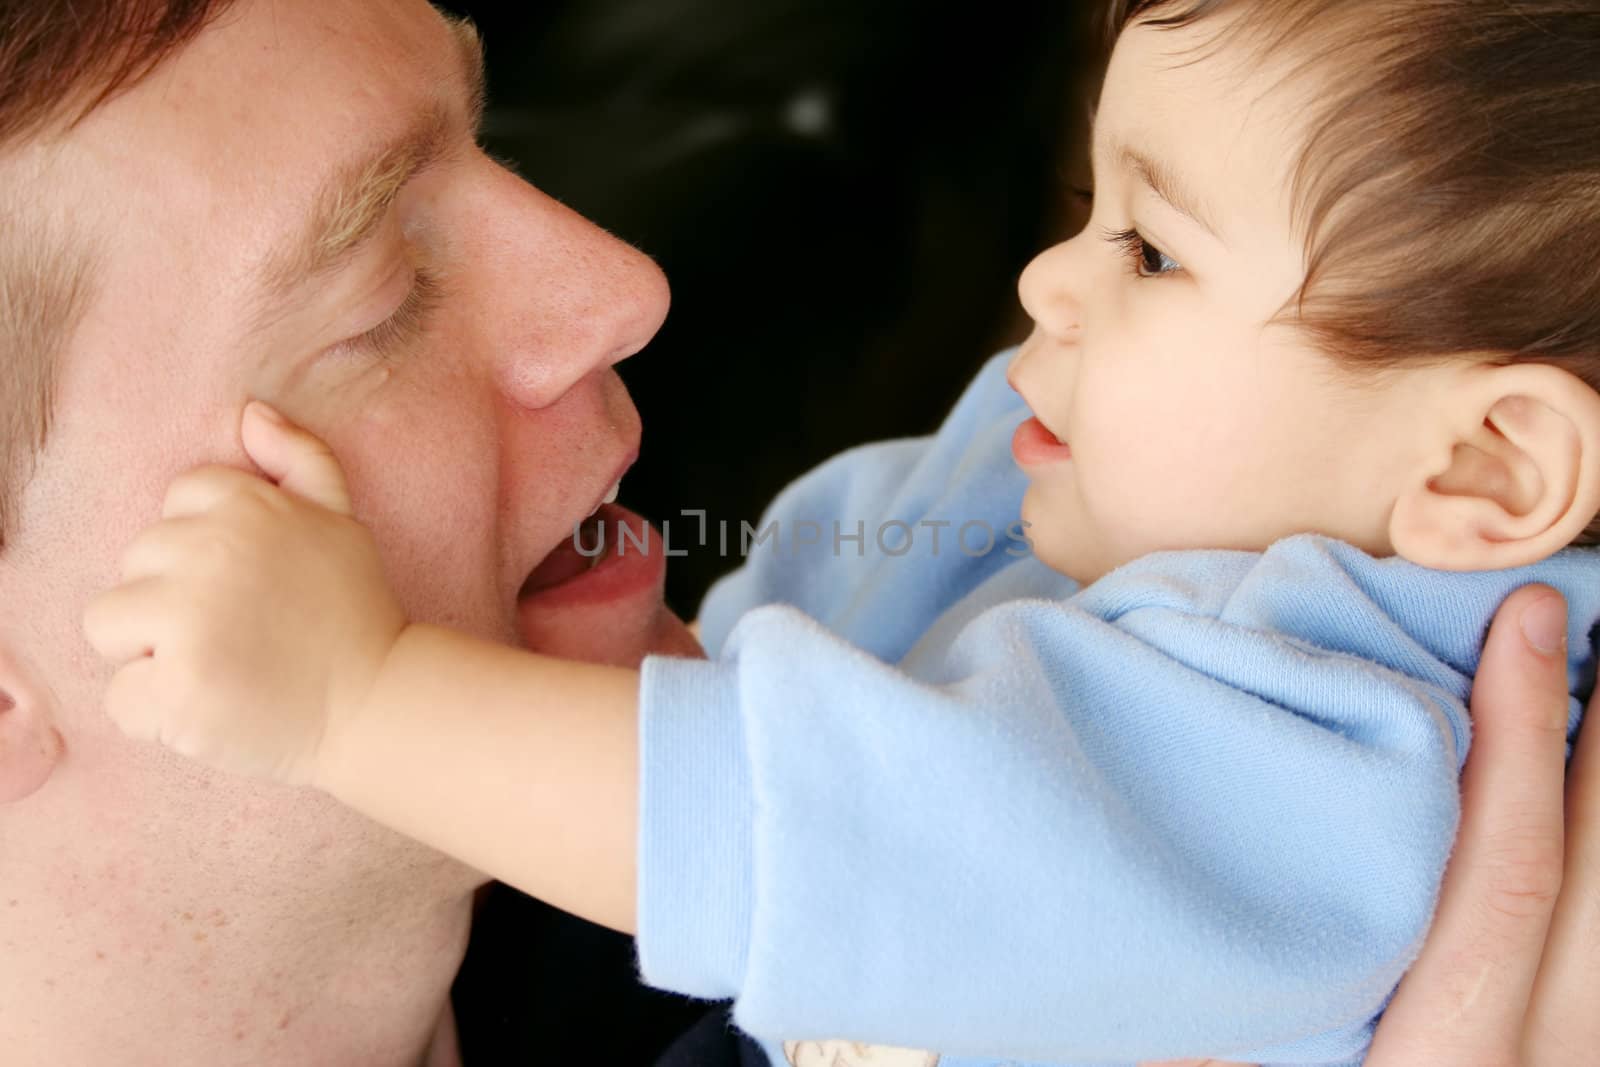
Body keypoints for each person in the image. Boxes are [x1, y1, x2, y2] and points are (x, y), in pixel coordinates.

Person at [0, 0, 1585, 1064]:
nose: (625, 287)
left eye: (495, 152)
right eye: (379, 297)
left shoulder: (1313, 691)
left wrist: (363, 698)